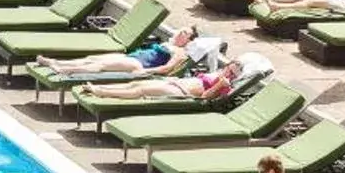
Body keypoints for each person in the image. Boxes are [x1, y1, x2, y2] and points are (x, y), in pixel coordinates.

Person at [35, 25, 213, 80]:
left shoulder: (180, 53)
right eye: (182, 30)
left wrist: (146, 72)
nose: (181, 33)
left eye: (186, 33)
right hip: (133, 56)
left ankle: (64, 71)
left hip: (140, 64)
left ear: (189, 40)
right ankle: (56, 62)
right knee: (92, 58)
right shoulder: (170, 43)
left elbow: (167, 68)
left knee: (100, 66)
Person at [73, 57, 244, 104]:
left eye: (234, 74)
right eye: (230, 70)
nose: (230, 75)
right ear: (227, 66)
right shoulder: (216, 73)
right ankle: (98, 87)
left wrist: (221, 85)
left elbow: (205, 98)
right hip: (175, 82)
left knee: (141, 91)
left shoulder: (225, 87)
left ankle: (101, 92)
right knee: (135, 84)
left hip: (181, 92)